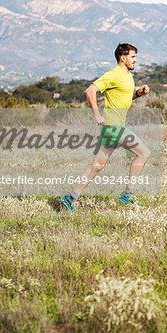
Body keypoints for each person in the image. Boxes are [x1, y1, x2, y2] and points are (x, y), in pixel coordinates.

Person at [61, 43, 150, 212]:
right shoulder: (113, 74)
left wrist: (139, 93)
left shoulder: (128, 76)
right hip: (112, 125)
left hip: (115, 125)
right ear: (123, 58)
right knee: (144, 153)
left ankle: (71, 198)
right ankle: (128, 194)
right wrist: (96, 114)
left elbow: (125, 97)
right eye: (133, 57)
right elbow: (90, 91)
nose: (135, 61)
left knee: (98, 165)